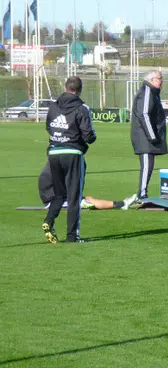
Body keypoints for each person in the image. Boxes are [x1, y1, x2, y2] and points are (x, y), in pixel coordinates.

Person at [41, 76, 97, 243]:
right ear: (79, 90)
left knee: (59, 194)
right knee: (74, 196)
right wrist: (89, 138)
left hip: (54, 152)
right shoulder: (82, 108)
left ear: (65, 87)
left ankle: (48, 220)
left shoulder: (53, 106)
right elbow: (88, 136)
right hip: (72, 153)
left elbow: (48, 128)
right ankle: (72, 236)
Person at [126, 70, 166, 205]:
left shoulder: (153, 93)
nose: (162, 81)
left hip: (146, 136)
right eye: (160, 78)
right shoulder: (147, 92)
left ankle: (143, 192)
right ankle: (142, 194)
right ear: (152, 79)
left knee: (149, 165)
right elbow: (144, 114)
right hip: (144, 136)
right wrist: (152, 135)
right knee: (147, 165)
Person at [39, 161, 131, 210]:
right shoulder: (55, 169)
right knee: (86, 202)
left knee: (88, 199)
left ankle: (122, 204)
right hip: (54, 202)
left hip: (58, 198)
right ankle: (122, 204)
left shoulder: (52, 166)